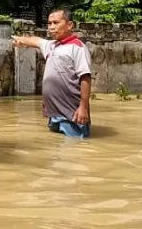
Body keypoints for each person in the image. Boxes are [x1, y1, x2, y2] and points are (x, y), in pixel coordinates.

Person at [11, 8, 92, 138]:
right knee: (55, 149)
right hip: (54, 113)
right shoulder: (51, 45)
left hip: (72, 113)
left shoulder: (77, 48)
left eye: (56, 23)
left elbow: (85, 78)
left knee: (75, 151)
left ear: (70, 25)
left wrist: (83, 108)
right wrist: (20, 39)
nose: (51, 27)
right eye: (49, 24)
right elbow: (36, 41)